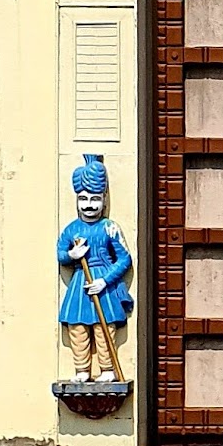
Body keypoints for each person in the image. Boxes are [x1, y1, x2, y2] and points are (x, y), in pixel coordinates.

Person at [57, 154, 133, 382]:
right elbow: (60, 253)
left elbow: (124, 259)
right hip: (80, 284)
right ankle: (82, 370)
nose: (89, 205)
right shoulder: (71, 229)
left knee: (104, 328)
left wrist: (104, 281)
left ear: (104, 200)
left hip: (103, 284)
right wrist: (72, 255)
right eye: (83, 199)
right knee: (78, 327)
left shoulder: (110, 228)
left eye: (94, 198)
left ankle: (107, 369)